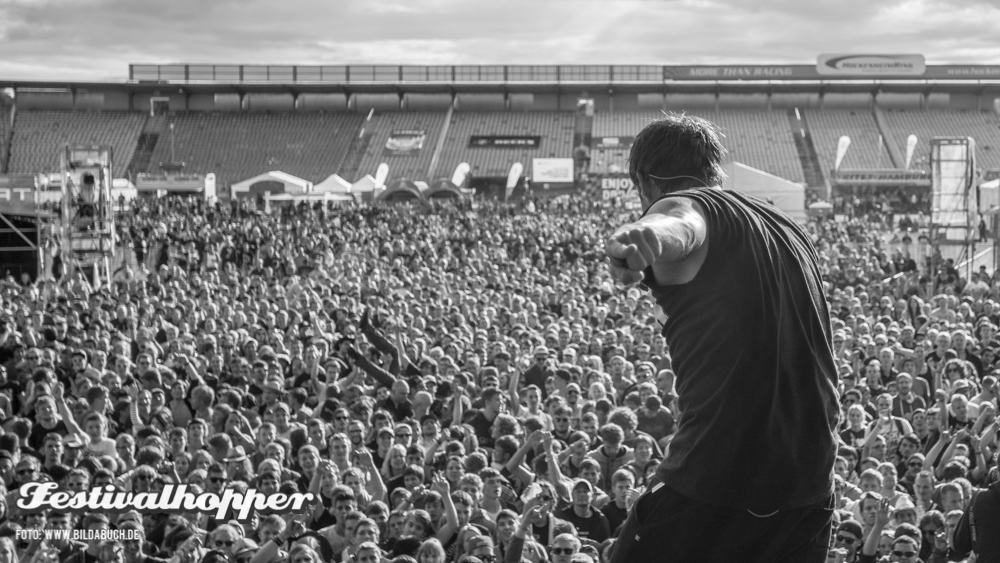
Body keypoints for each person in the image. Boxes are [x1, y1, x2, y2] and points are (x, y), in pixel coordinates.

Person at [606, 114, 839, 562]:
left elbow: (681, 224)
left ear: (646, 183)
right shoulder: (789, 229)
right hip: (808, 490)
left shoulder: (682, 204)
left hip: (716, 479)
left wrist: (645, 235)